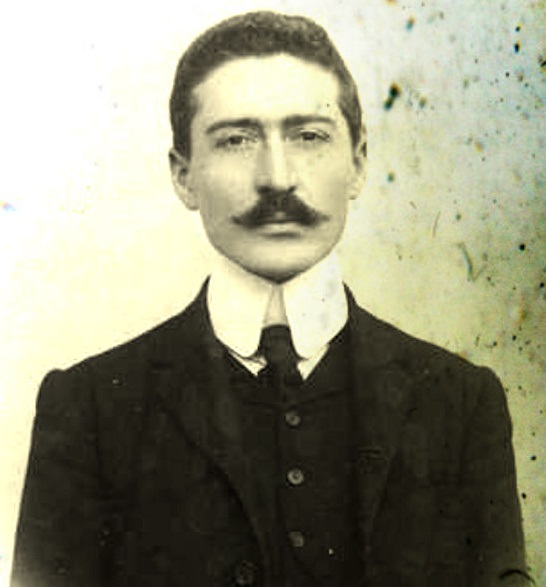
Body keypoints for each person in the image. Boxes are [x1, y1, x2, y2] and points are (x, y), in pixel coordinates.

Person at [11, 11, 532, 587]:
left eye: (309, 136)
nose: (277, 178)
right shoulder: (85, 410)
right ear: (183, 175)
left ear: (358, 163)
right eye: (236, 140)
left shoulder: (461, 405)